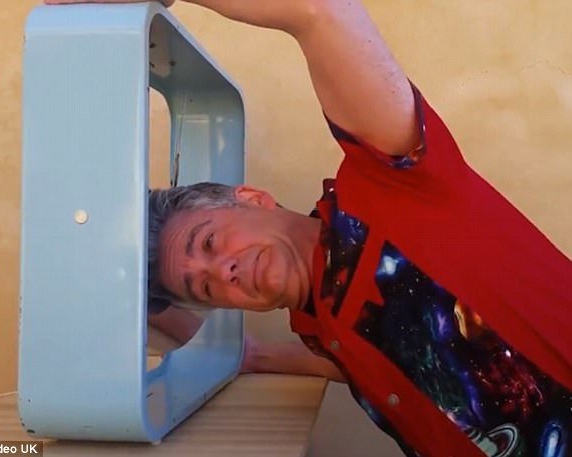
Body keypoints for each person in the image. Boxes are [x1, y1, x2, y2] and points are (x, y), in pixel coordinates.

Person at [47, 0, 572, 456]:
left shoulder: (390, 180)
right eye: (205, 287)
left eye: (208, 242)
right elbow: (386, 359)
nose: (223, 271)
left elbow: (321, 11)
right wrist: (251, 356)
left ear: (251, 198)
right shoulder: (318, 325)